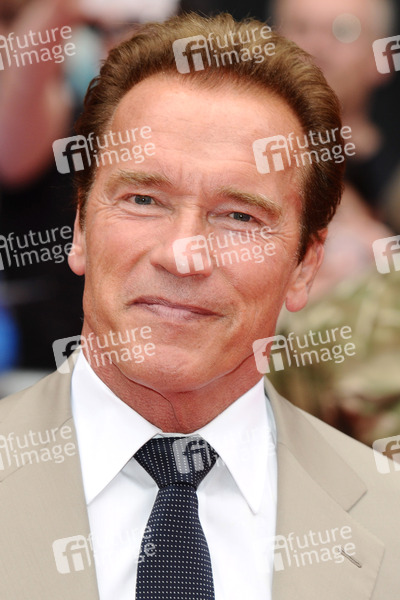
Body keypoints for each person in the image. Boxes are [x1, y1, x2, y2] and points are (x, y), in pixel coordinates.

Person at [0, 12, 399, 600]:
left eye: (239, 216)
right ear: (81, 227)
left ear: (305, 265)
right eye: (143, 199)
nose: (182, 254)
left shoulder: (388, 521)